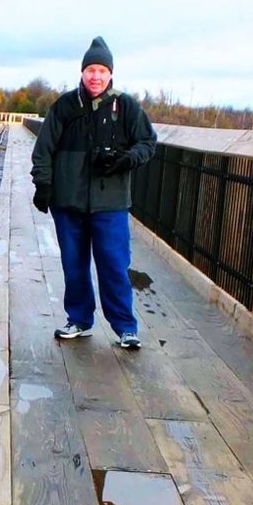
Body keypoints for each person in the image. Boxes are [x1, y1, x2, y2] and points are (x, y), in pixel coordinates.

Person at [30, 36, 157, 348]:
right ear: (82, 72)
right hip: (68, 202)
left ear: (110, 73)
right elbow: (43, 150)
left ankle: (125, 327)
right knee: (74, 265)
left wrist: (128, 158)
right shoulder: (64, 106)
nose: (96, 76)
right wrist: (43, 185)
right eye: (91, 70)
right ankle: (79, 319)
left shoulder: (125, 107)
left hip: (110, 204)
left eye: (102, 70)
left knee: (114, 265)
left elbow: (148, 142)